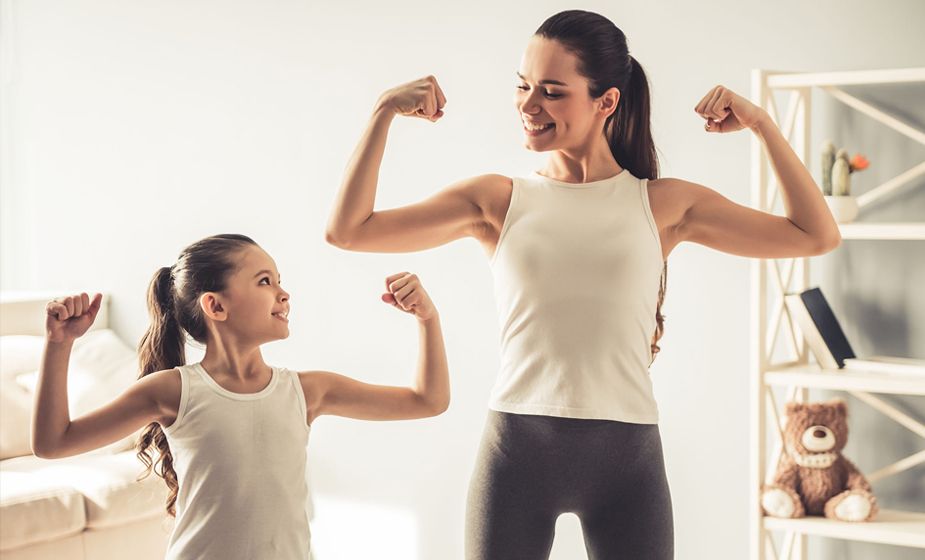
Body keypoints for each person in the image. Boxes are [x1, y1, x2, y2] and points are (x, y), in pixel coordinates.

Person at [325, 9, 840, 559]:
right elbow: (349, 230)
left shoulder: (661, 204)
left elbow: (815, 235)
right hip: (515, 457)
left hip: (628, 465)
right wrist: (383, 112)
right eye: (522, 86)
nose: (528, 106)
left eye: (551, 91)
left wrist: (762, 124)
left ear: (607, 102)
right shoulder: (496, 201)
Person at [31, 233, 450, 560]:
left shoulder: (308, 390)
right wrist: (59, 345)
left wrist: (428, 319)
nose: (283, 293)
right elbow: (53, 443)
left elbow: (427, 400)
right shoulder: (174, 390)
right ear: (215, 306)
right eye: (265, 281)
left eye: (280, 281)